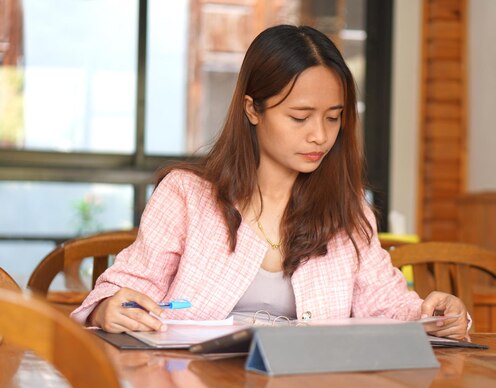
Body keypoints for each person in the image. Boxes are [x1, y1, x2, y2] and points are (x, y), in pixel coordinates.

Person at [71, 25, 470, 339]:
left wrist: (435, 315)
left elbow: (390, 307)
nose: (320, 135)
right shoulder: (185, 196)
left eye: (334, 117)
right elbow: (118, 293)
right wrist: (109, 308)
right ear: (253, 109)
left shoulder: (347, 210)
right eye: (300, 117)